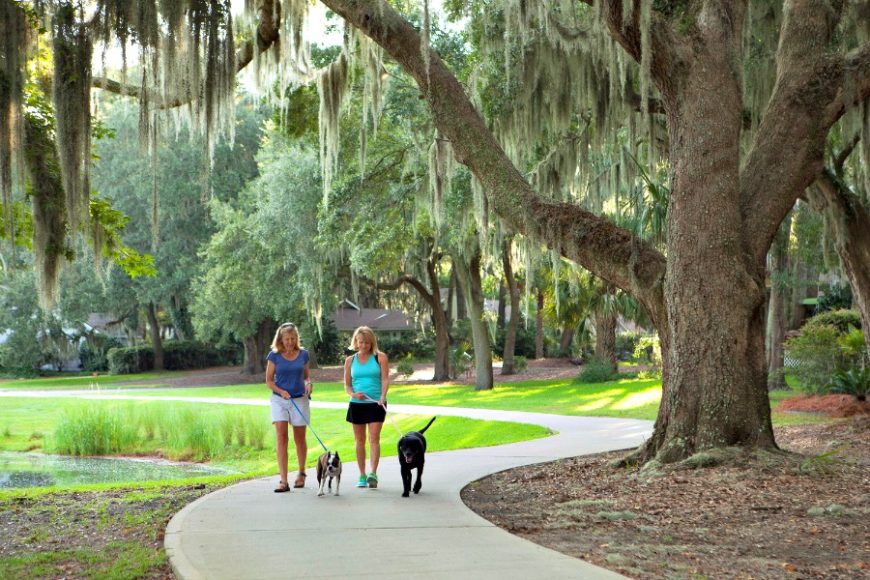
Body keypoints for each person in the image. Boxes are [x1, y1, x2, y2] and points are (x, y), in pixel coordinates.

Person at [266, 322, 312, 492]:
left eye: (293, 338)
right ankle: (283, 480)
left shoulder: (303, 355)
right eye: (287, 339)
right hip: (279, 400)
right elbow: (269, 381)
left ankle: (301, 473)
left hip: (299, 399)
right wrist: (281, 391)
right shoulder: (274, 356)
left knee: (300, 439)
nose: (290, 342)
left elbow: (307, 377)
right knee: (281, 438)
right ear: (281, 339)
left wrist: (308, 384)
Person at [344, 326, 389, 489]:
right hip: (357, 405)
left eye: (368, 343)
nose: (364, 346)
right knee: (360, 440)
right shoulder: (350, 361)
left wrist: (383, 396)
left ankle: (373, 473)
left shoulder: (380, 357)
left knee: (374, 438)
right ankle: (362, 474)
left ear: (372, 343)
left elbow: (385, 379)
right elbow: (347, 386)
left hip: (376, 404)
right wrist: (354, 394)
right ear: (356, 342)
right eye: (361, 342)